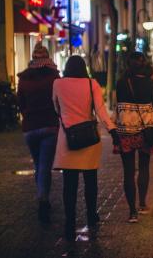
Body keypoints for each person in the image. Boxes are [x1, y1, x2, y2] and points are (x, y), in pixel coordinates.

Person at [52, 56, 120, 241]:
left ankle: (70, 222)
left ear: (66, 68)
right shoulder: (92, 84)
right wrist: (112, 130)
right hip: (89, 138)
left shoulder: (58, 84)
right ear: (84, 68)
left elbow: (56, 108)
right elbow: (100, 110)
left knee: (69, 184)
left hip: (68, 139)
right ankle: (91, 215)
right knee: (91, 180)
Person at [17, 42, 60, 223]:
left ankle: (43, 195)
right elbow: (59, 100)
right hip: (50, 126)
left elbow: (20, 103)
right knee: (44, 166)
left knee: (38, 164)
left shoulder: (24, 78)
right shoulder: (53, 77)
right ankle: (43, 198)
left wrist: (27, 114)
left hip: (30, 127)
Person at [114, 52, 153, 223]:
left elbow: (118, 103)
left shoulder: (121, 83)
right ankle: (142, 204)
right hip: (146, 129)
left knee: (128, 171)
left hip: (126, 130)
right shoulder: (149, 83)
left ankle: (132, 212)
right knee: (144, 166)